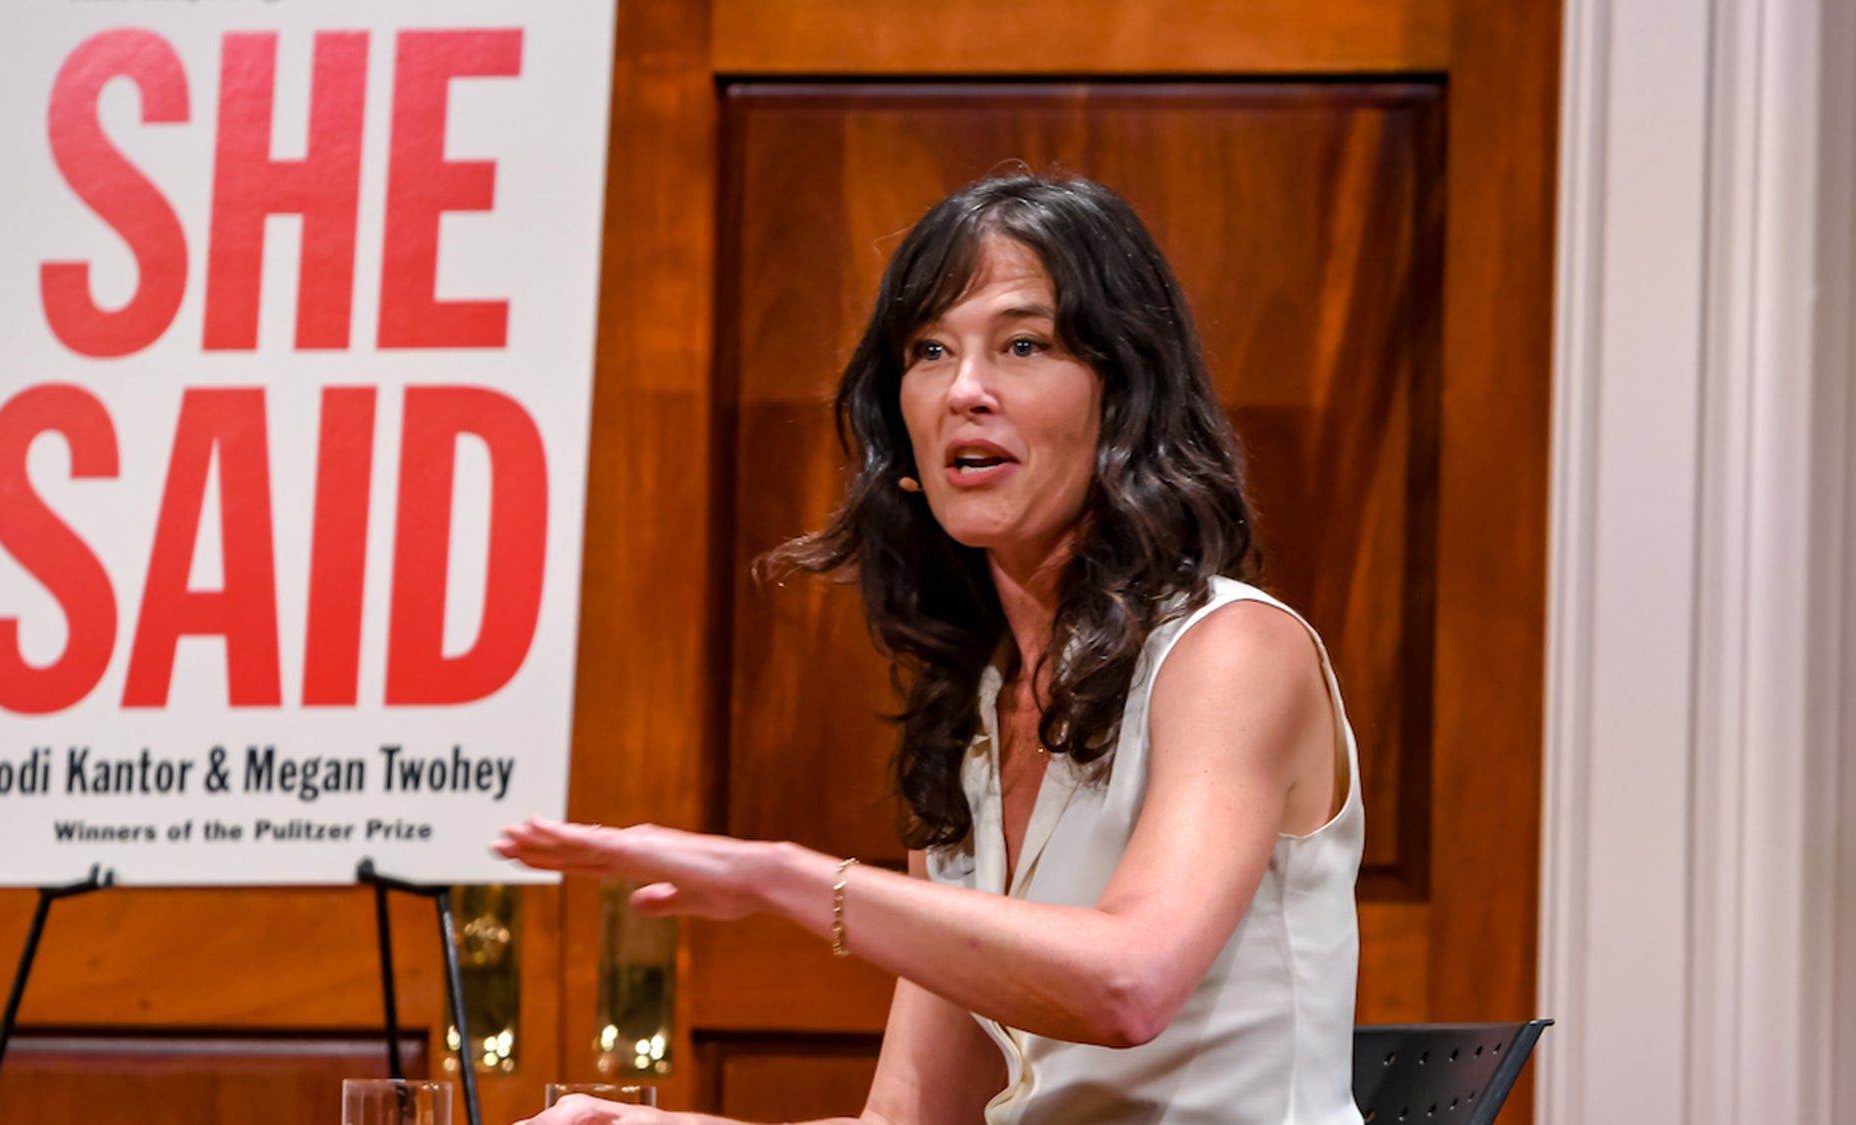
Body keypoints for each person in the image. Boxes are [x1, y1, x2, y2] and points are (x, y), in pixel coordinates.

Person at [498, 174, 1363, 1125]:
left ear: (1125, 391)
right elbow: (911, 1123)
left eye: (1023, 345)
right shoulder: (971, 711)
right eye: (930, 351)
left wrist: (783, 878)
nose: (966, 391)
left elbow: (1129, 984)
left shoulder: (1233, 649)